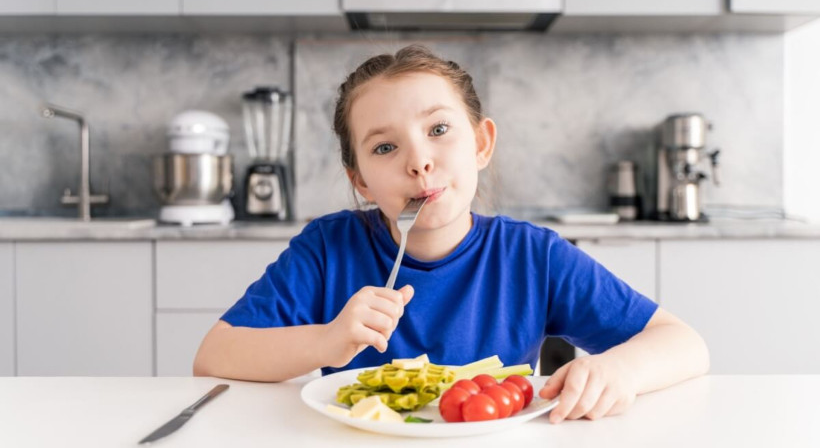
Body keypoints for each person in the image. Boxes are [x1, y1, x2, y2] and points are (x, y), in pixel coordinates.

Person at [194, 44, 710, 424]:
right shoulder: (328, 249)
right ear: (361, 182)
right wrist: (327, 341)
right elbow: (214, 356)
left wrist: (620, 371)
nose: (419, 161)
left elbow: (685, 344)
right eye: (384, 148)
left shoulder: (532, 256)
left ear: (481, 144)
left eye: (438, 130)